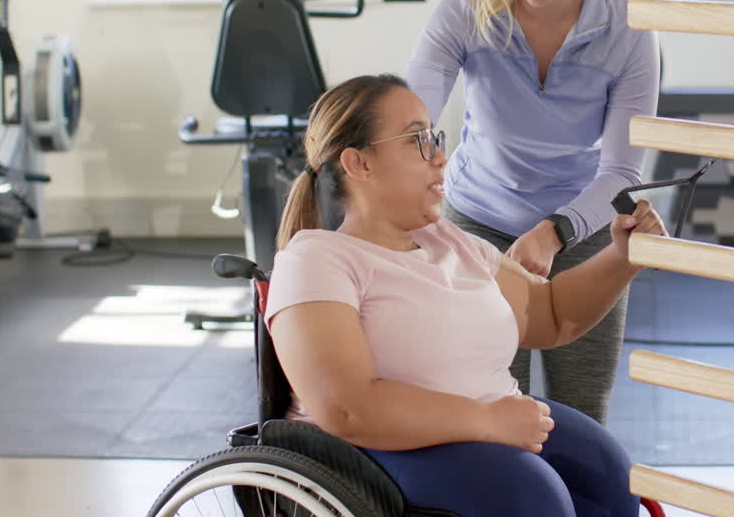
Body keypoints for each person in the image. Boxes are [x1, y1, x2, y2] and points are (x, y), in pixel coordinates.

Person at [265, 74, 666, 517]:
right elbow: (347, 408)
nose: (441, 157)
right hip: (371, 448)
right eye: (418, 141)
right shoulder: (317, 259)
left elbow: (550, 314)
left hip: (487, 422)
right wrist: (486, 421)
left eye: (435, 138)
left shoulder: (448, 241)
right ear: (359, 164)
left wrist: (624, 257)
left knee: (606, 473)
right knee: (532, 497)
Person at [406, 0, 661, 423]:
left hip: (584, 226)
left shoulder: (630, 29)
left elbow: (622, 171)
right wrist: (411, 190)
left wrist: (554, 233)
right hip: (476, 225)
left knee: (582, 410)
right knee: (492, 403)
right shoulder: (465, 12)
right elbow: (411, 121)